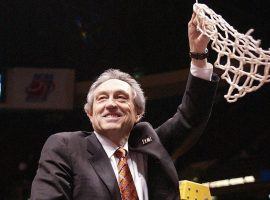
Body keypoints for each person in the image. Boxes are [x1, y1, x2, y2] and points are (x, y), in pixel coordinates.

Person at [30, 13, 219, 200]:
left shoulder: (152, 145)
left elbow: (191, 117)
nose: (111, 104)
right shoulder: (66, 147)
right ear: (90, 114)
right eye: (102, 98)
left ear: (138, 113)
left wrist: (198, 55)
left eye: (121, 98)